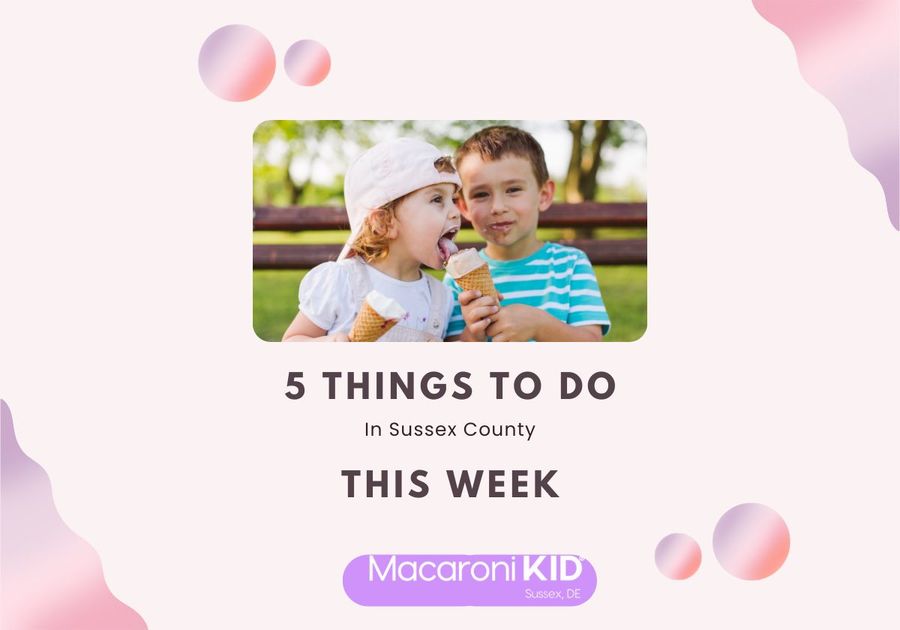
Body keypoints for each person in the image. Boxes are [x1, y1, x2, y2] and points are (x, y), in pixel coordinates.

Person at [282, 138, 461, 342]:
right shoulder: (341, 283)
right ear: (384, 222)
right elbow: (292, 341)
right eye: (437, 199)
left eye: (453, 199)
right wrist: (326, 343)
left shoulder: (441, 298)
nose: (455, 212)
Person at [444, 126, 610, 342]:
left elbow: (592, 344)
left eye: (513, 190)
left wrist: (540, 326)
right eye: (481, 194)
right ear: (464, 207)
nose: (498, 207)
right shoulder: (458, 279)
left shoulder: (571, 265)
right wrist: (472, 336)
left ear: (543, 195)